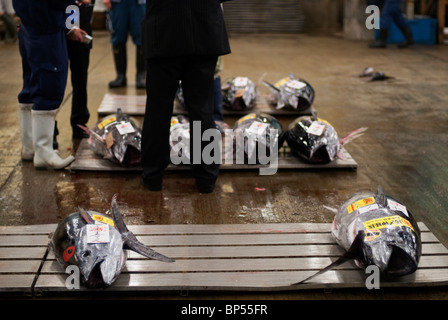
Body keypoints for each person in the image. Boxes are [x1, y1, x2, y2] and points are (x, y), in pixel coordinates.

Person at [140, 0, 231, 193]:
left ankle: (152, 176)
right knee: (202, 109)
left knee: (158, 109)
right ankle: (206, 178)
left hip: (163, 32)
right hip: (203, 31)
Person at [13, 0, 90, 170]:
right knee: (48, 87)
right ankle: (43, 152)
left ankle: (30, 147)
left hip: (29, 26)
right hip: (46, 30)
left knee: (30, 87)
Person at [102, 0, 146, 89]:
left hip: (139, 3)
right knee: (118, 36)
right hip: (118, 3)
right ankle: (120, 75)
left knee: (142, 36)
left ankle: (141, 76)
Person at [67, 0, 95, 139]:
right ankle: (50, 133)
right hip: (59, 30)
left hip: (82, 30)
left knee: (80, 81)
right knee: (53, 84)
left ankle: (79, 124)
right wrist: (70, 28)